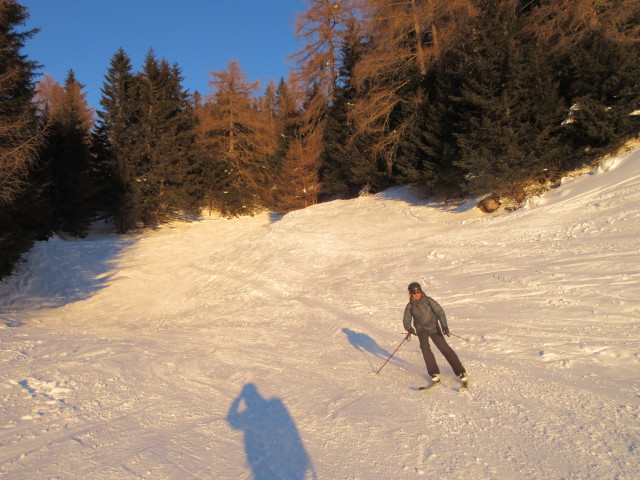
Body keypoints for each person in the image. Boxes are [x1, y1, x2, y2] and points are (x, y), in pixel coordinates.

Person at [403, 282, 468, 386]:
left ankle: (460, 371)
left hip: (434, 328)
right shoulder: (410, 306)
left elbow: (440, 312)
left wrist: (444, 326)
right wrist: (409, 328)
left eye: (418, 292)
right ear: (410, 294)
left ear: (421, 291)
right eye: (414, 293)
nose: (416, 295)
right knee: (425, 349)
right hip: (421, 330)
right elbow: (406, 319)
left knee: (444, 348)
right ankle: (434, 373)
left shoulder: (429, 301)